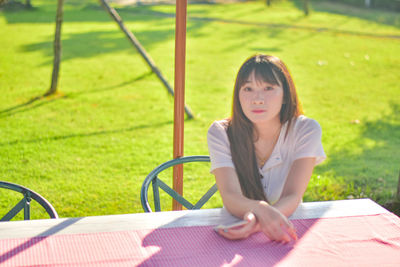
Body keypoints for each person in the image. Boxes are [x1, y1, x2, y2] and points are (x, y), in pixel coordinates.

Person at [207, 54, 326, 243]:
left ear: (286, 94)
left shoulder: (306, 130)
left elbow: (292, 194)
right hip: (235, 229)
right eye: (248, 88)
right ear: (238, 95)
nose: (257, 99)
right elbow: (231, 196)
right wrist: (262, 211)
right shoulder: (221, 132)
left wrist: (258, 223)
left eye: (268, 88)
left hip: (288, 226)